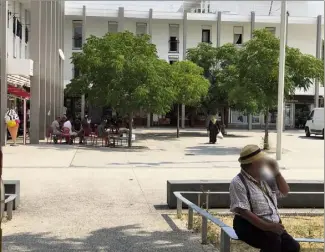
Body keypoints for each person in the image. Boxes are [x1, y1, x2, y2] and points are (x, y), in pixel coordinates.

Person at [230, 145, 300, 252]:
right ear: (254, 163)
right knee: (273, 242)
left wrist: (277, 173)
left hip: (272, 224)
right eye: (262, 159)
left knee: (293, 247)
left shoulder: (265, 177)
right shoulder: (238, 182)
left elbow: (284, 191)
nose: (265, 162)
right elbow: (244, 212)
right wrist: (268, 227)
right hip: (249, 225)